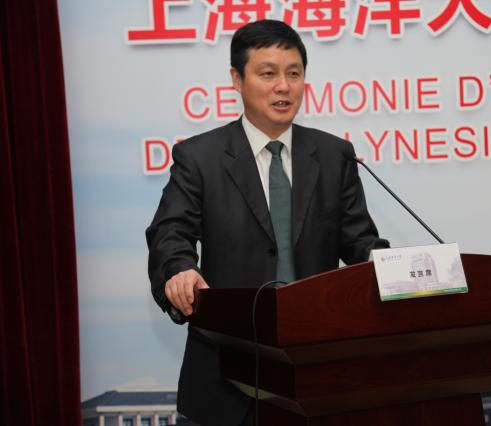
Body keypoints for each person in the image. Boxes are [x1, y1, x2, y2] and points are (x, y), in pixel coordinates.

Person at [146, 19, 389, 426]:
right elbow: (170, 232)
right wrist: (179, 269)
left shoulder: (334, 156)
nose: (283, 87)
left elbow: (360, 243)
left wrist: (396, 271)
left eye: (294, 74)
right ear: (237, 80)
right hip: (227, 374)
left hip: (317, 375)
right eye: (268, 73)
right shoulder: (200, 158)